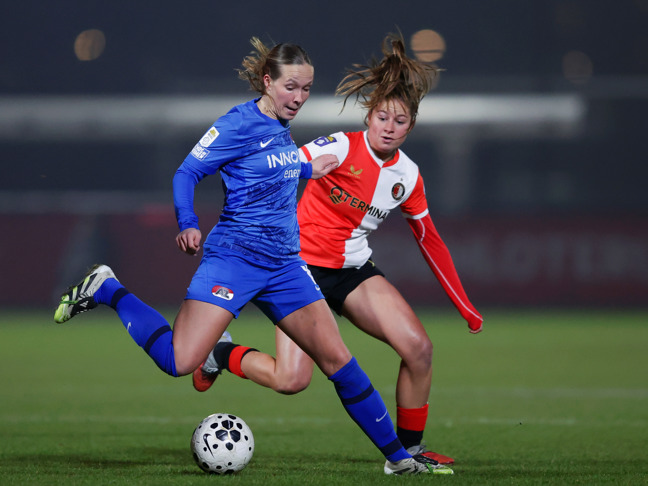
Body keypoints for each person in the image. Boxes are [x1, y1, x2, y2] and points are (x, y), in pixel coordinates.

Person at [53, 37, 452, 475]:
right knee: (178, 361)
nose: (299, 97)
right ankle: (108, 288)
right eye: (290, 87)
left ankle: (400, 461)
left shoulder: (281, 127)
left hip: (285, 266)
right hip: (234, 259)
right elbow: (187, 172)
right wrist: (188, 221)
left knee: (337, 362)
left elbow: (269, 168)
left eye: (306, 88)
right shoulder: (236, 124)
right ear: (267, 81)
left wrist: (305, 168)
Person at [193, 33, 483, 465]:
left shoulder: (408, 176)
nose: (389, 126)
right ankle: (222, 353)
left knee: (419, 350)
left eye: (400, 120)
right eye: (382, 116)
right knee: (291, 380)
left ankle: (409, 452)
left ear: (411, 126)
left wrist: (464, 305)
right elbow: (280, 167)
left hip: (351, 271)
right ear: (369, 116)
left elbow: (430, 240)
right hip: (298, 269)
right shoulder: (340, 147)